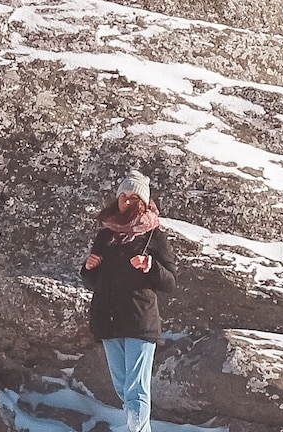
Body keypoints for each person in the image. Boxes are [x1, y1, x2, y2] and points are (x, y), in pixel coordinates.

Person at [80, 171, 178, 432]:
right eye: (122, 196)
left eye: (132, 197)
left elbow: (170, 283)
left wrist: (150, 266)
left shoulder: (154, 237)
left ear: (144, 202)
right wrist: (89, 268)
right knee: (124, 388)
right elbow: (94, 281)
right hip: (109, 322)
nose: (126, 201)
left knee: (135, 388)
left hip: (139, 321)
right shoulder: (105, 236)